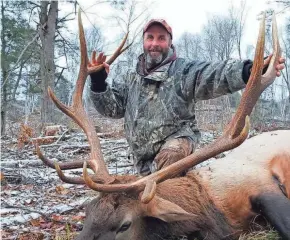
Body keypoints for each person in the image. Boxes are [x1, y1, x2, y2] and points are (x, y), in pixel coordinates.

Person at [88, 19, 285, 176]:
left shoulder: (184, 71)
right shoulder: (131, 76)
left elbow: (215, 74)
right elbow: (112, 109)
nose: (155, 44)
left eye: (161, 38)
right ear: (144, 41)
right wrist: (98, 81)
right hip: (143, 160)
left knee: (170, 157)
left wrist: (250, 70)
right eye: (150, 38)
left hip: (176, 147)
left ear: (169, 42)